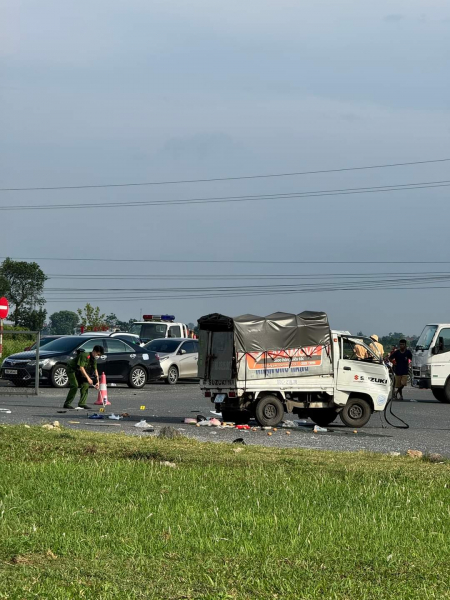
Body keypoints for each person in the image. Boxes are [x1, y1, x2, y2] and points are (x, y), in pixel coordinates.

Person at [63, 345, 104, 409]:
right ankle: (67, 404)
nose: (98, 356)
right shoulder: (85, 355)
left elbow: (96, 370)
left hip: (79, 371)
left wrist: (97, 382)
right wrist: (88, 378)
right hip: (72, 369)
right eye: (98, 354)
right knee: (75, 385)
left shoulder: (93, 360)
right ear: (94, 351)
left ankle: (82, 403)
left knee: (85, 385)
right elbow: (81, 367)